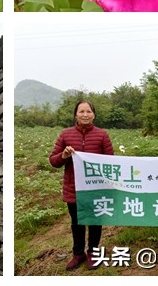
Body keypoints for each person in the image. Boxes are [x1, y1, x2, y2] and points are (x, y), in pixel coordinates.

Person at [49, 100, 114, 271]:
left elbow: (111, 161)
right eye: (81, 111)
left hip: (96, 188)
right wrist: (63, 155)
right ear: (75, 115)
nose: (85, 115)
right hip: (74, 188)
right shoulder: (65, 135)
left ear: (94, 114)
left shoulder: (102, 135)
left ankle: (93, 253)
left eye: (88, 111)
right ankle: (78, 254)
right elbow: (53, 161)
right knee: (76, 222)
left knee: (95, 221)